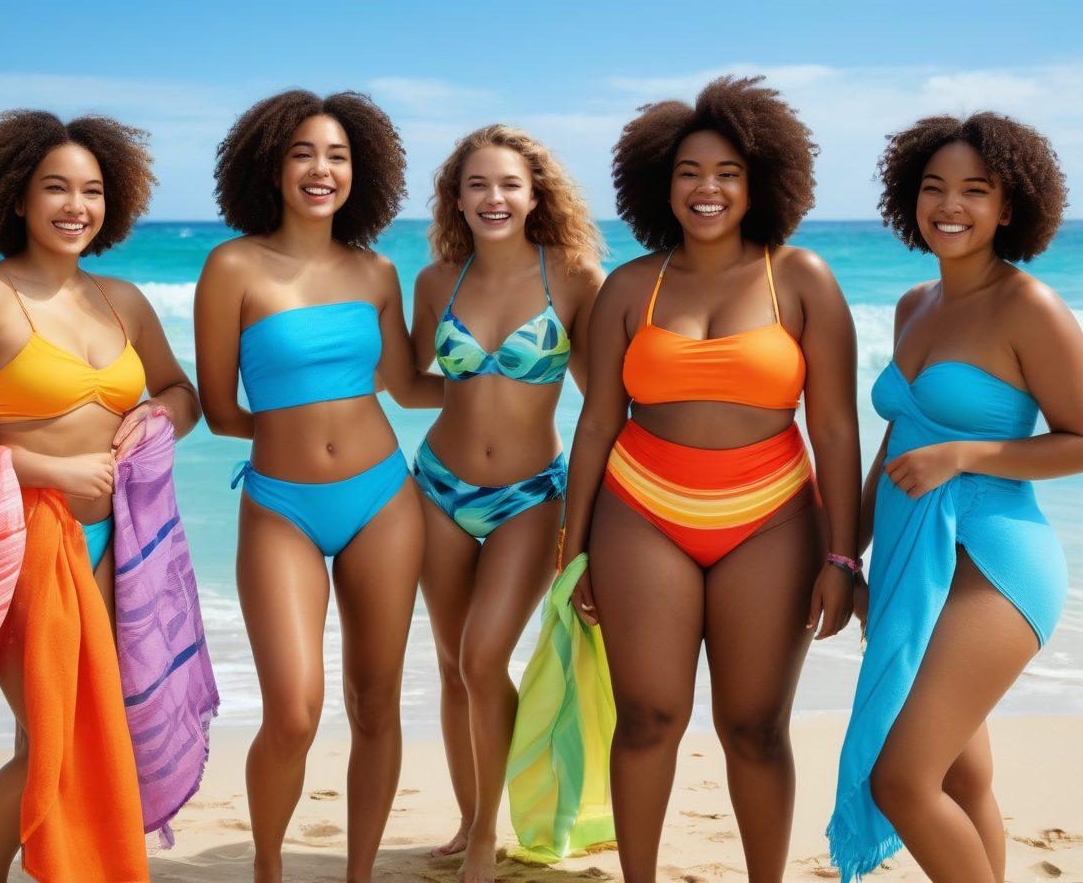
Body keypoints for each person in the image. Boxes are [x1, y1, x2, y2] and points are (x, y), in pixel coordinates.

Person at [560, 75, 861, 882]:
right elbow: (596, 423)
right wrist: (572, 547)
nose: (708, 188)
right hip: (641, 513)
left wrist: (842, 558)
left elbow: (834, 427)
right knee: (650, 716)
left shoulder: (801, 278)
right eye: (690, 172)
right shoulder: (631, 286)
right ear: (663, 184)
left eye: (728, 172)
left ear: (760, 181)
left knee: (755, 725)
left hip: (771, 519)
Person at [0, 110, 200, 882]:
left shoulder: (124, 300)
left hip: (122, 544)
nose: (75, 206)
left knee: (86, 729)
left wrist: (154, 415)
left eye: (92, 191)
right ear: (17, 197)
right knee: (54, 735)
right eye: (56, 188)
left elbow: (182, 393)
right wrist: (48, 471)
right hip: (23, 546)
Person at [194, 89, 442, 883]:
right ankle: (269, 867)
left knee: (376, 704)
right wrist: (294, 434)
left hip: (383, 499)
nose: (321, 169)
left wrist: (507, 380)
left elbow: (406, 387)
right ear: (271, 166)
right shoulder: (232, 264)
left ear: (357, 173)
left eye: (337, 156)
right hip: (281, 506)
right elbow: (221, 408)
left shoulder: (376, 271)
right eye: (304, 153)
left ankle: (358, 874)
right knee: (294, 711)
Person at [828, 112, 1081, 883]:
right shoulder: (913, 305)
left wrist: (967, 453)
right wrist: (845, 555)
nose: (951, 205)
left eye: (976, 189)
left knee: (902, 780)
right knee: (961, 779)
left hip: (995, 563)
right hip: (912, 561)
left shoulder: (1028, 307)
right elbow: (898, 442)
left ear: (1010, 207)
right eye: (934, 187)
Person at [409, 125, 604, 881]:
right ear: (456, 198)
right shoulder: (437, 281)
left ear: (534, 195)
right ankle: (468, 819)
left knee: (487, 659)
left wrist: (598, 522)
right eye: (477, 185)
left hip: (530, 495)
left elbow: (598, 403)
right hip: (437, 487)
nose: (494, 198)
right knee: (455, 663)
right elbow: (403, 382)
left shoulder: (574, 276)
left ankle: (491, 833)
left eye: (509, 185)